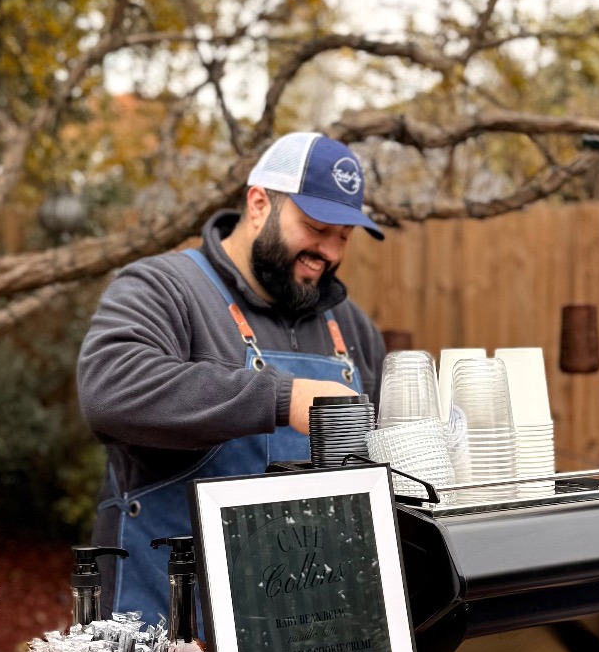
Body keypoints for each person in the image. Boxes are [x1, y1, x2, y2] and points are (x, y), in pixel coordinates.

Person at [76, 132, 387, 623]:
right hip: (165, 633)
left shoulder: (349, 325)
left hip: (297, 635)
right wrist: (284, 398)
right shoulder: (163, 287)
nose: (327, 251)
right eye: (315, 227)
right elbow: (110, 389)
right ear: (259, 204)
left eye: (343, 237)